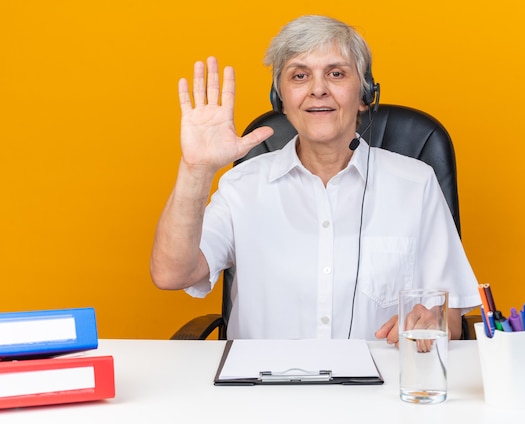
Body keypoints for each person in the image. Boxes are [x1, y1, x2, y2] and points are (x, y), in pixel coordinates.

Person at [150, 15, 480, 342]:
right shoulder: (243, 186)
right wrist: (196, 170)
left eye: (336, 74)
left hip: (377, 390)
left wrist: (432, 320)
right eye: (300, 75)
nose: (318, 89)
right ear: (280, 97)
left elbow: (450, 318)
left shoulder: (415, 183)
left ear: (365, 94)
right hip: (260, 391)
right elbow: (171, 273)